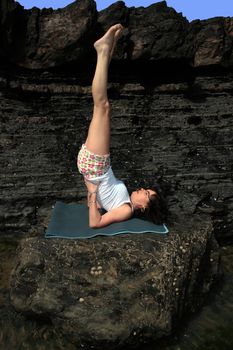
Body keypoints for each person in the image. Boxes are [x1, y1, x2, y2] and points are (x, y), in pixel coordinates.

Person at [77, 24, 166, 228]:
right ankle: (107, 49)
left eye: (145, 193)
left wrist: (91, 193)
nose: (142, 189)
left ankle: (103, 51)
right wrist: (93, 194)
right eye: (145, 189)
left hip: (96, 166)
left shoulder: (126, 210)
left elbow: (95, 223)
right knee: (102, 107)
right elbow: (101, 203)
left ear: (143, 207)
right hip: (95, 167)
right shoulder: (123, 202)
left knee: (103, 106)